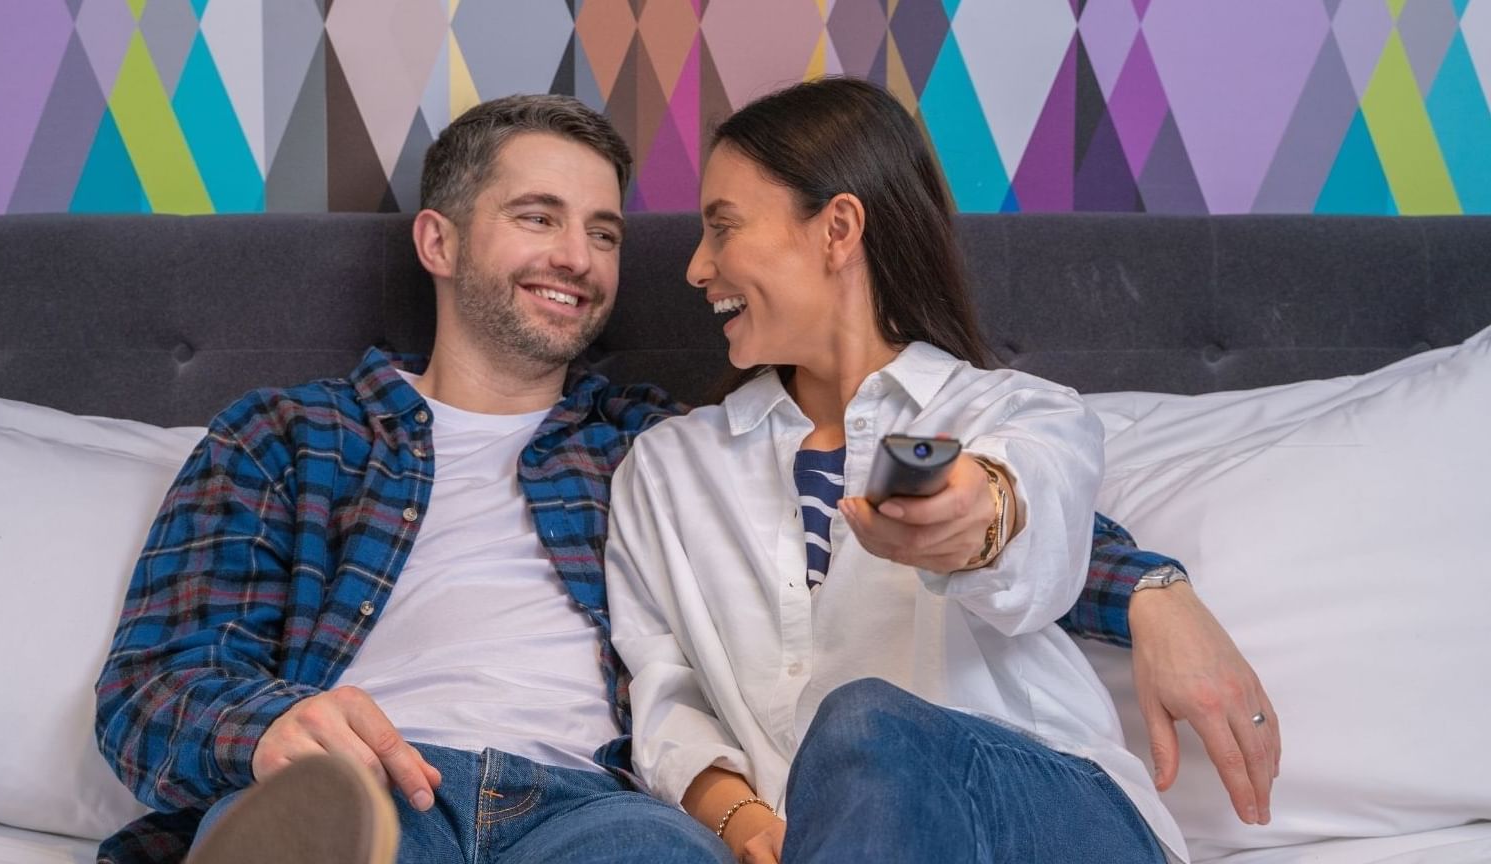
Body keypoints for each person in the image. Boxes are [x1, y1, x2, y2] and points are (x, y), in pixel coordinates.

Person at [94, 92, 1273, 864]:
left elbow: (1013, 494)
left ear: (838, 231)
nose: (583, 257)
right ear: (439, 243)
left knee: (673, 846)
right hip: (379, 782)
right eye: (539, 217)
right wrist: (273, 730)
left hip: (594, 811)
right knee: (318, 828)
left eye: (606, 231)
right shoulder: (287, 438)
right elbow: (151, 686)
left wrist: (1153, 586)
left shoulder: (633, 442)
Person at [604, 77, 1277, 864]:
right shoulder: (666, 470)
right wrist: (748, 822)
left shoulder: (1020, 414)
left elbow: (1030, 508)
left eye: (723, 229)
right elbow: (666, 697)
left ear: (838, 229)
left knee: (862, 722)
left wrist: (975, 518)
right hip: (825, 839)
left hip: (1054, 821)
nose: (696, 267)